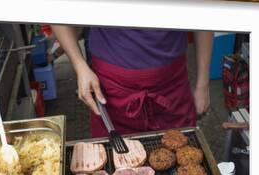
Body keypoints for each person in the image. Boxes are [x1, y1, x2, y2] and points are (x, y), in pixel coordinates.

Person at [51, 26, 214, 137]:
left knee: (183, 159)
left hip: (172, 87)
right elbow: (54, 1)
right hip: (112, 90)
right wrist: (79, 65)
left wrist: (203, 85)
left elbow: (206, 6)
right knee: (114, 168)